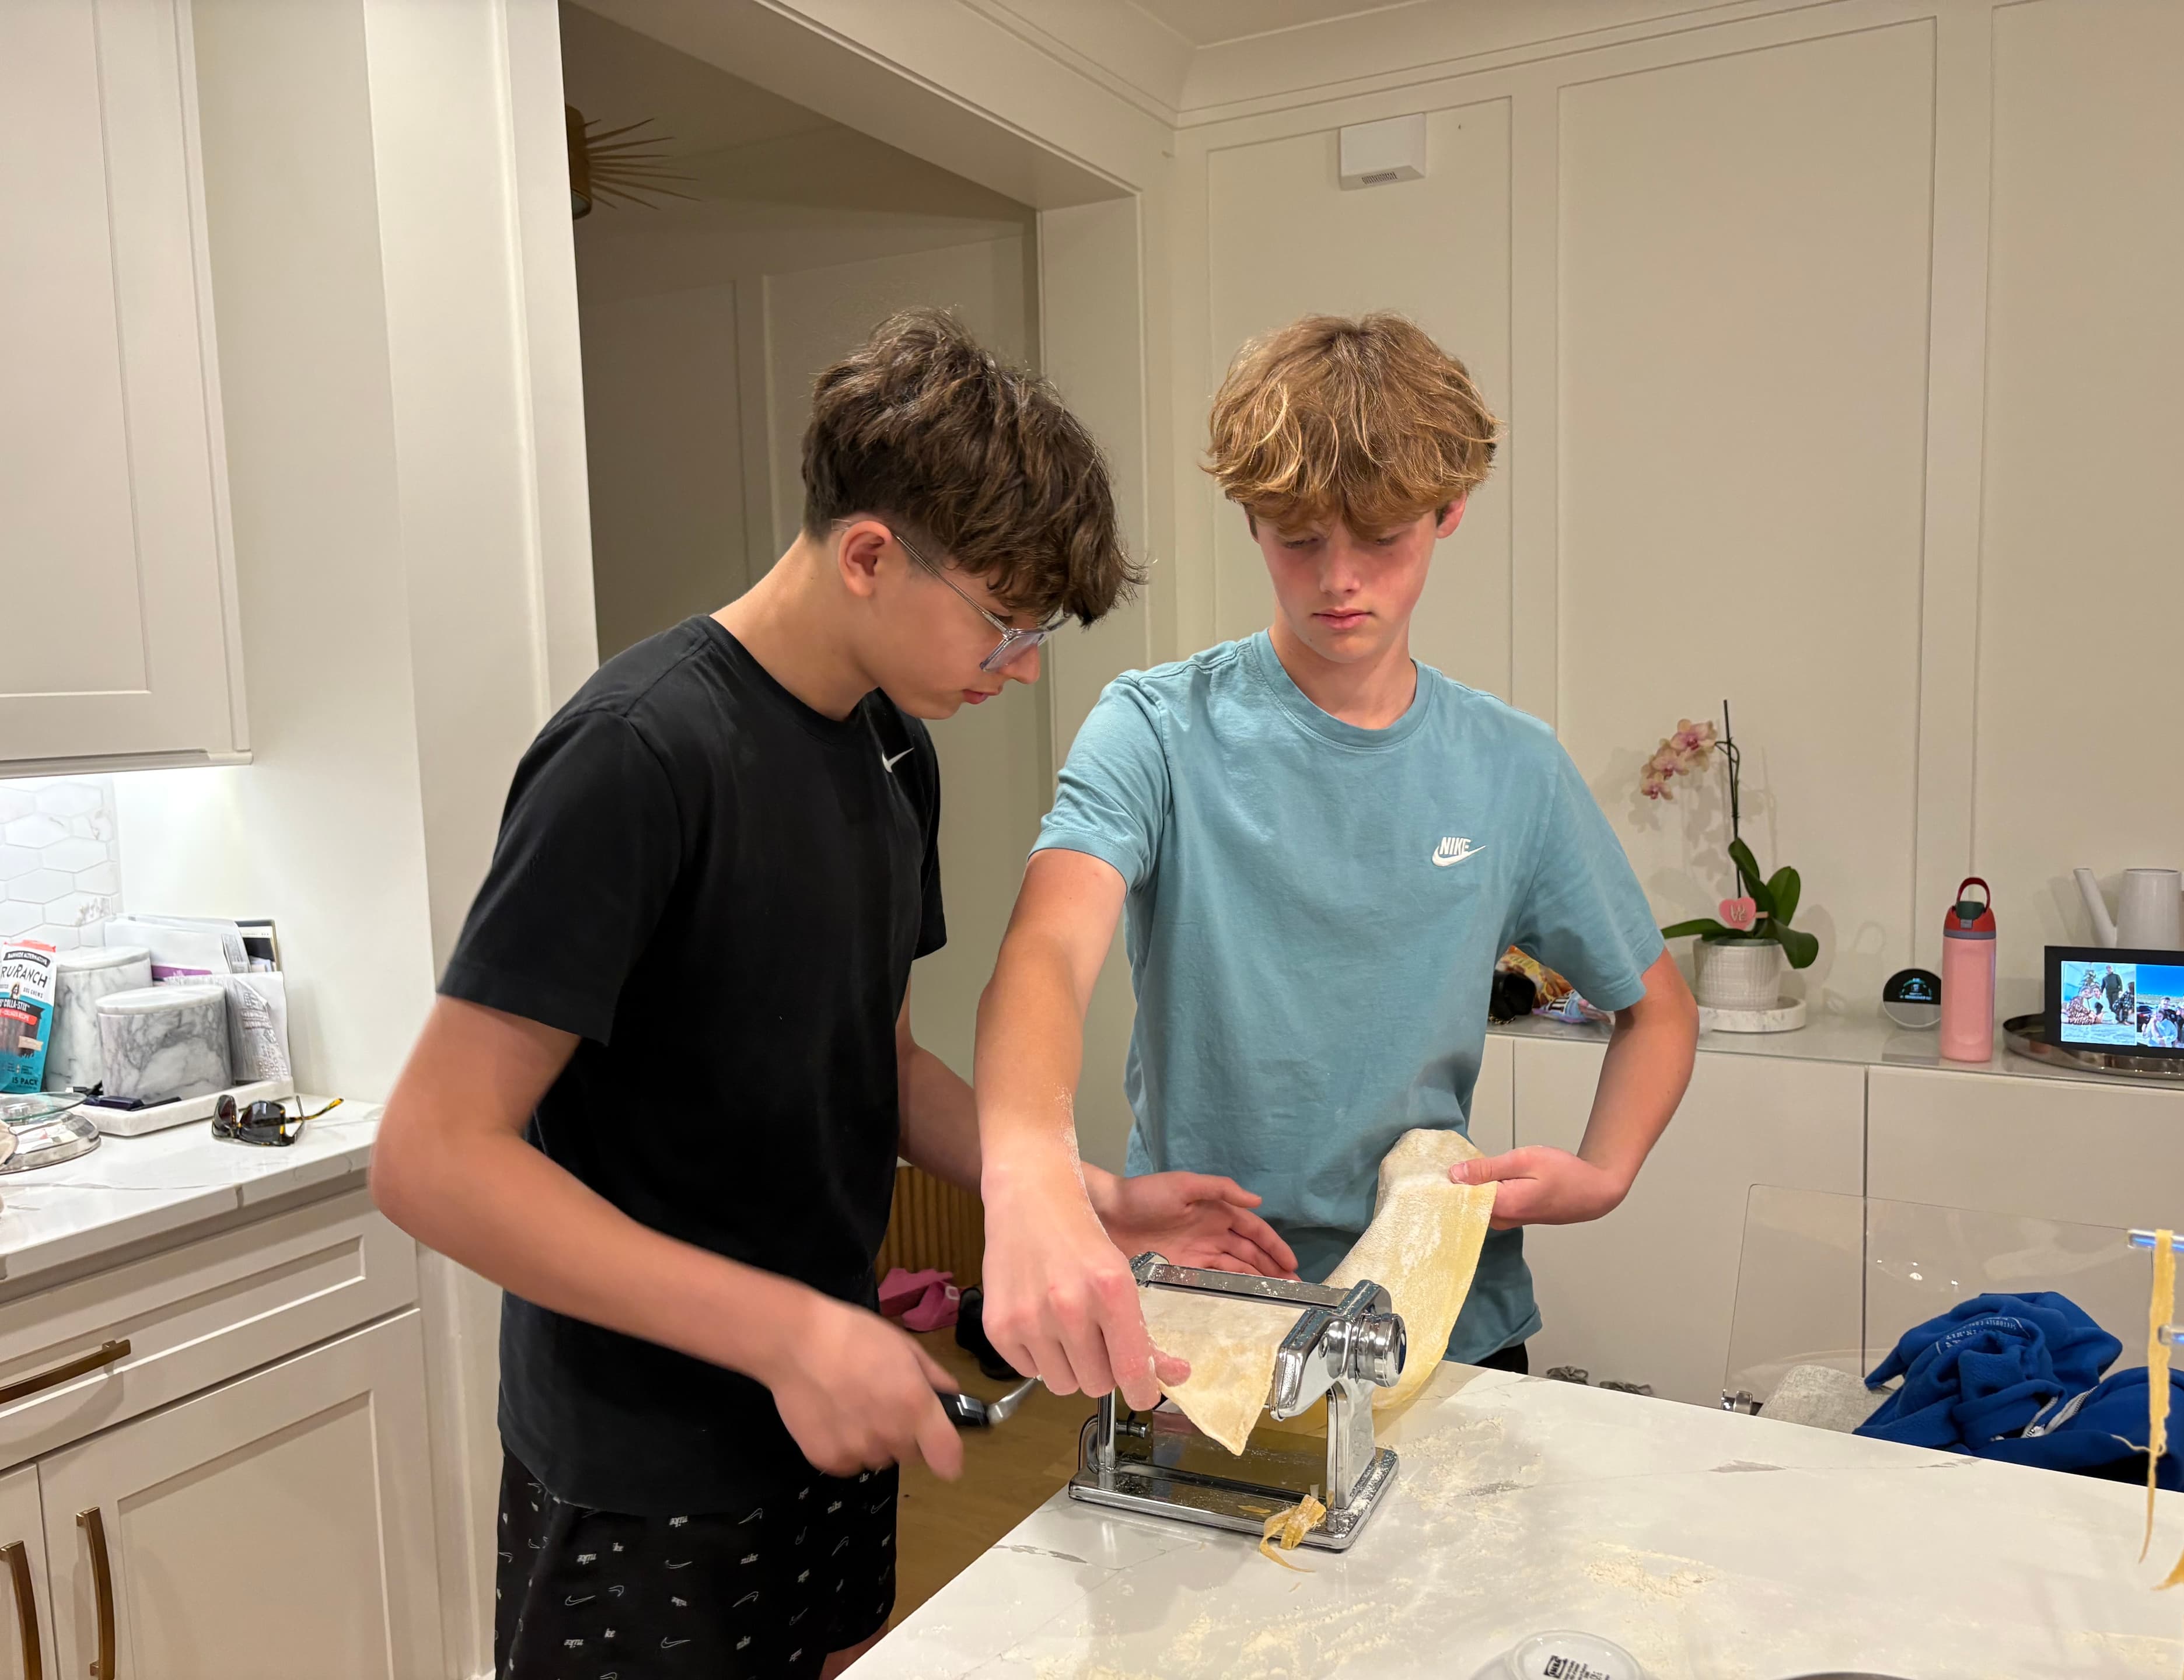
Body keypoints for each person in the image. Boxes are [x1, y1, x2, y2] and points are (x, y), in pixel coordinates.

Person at [370, 311, 1292, 1680]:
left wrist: (1072, 1192)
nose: (1024, 664)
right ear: (868, 554)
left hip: (833, 1415)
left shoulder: (893, 754)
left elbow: (876, 1061)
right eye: (1006, 622)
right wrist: (795, 1332)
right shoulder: (637, 758)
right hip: (644, 1461)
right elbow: (432, 1158)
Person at [971, 312, 1700, 1414]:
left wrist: (1602, 1176)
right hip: (1213, 1304)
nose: (1338, 580)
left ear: (1449, 513)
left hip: (1442, 1319)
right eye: (1298, 537)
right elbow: (1045, 953)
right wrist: (1030, 1178)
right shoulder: (1158, 729)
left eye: (1383, 539)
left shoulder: (1511, 766)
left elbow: (1657, 1009)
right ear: (1251, 518)